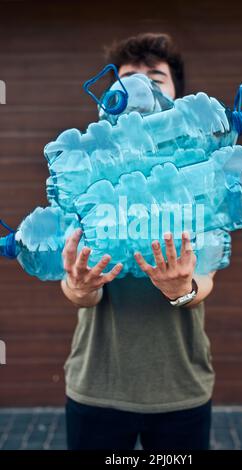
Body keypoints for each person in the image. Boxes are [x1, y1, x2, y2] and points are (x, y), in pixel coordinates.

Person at [61, 32, 216, 450]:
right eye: (127, 76)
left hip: (180, 386)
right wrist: (80, 287)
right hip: (97, 382)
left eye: (155, 76)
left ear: (177, 98)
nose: (140, 86)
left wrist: (181, 290)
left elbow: (206, 278)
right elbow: (73, 280)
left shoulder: (203, 175)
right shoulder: (83, 170)